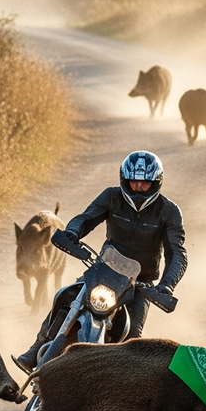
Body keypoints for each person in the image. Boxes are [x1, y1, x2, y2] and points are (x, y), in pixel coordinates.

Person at [14, 150, 188, 373]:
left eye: (145, 183)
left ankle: (120, 385)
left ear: (156, 183)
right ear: (124, 180)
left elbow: (177, 252)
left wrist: (167, 285)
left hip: (141, 283)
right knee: (65, 296)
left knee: (134, 338)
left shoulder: (169, 211)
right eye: (133, 182)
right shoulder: (111, 196)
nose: (138, 187)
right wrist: (72, 233)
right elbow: (86, 218)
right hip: (104, 270)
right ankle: (37, 347)